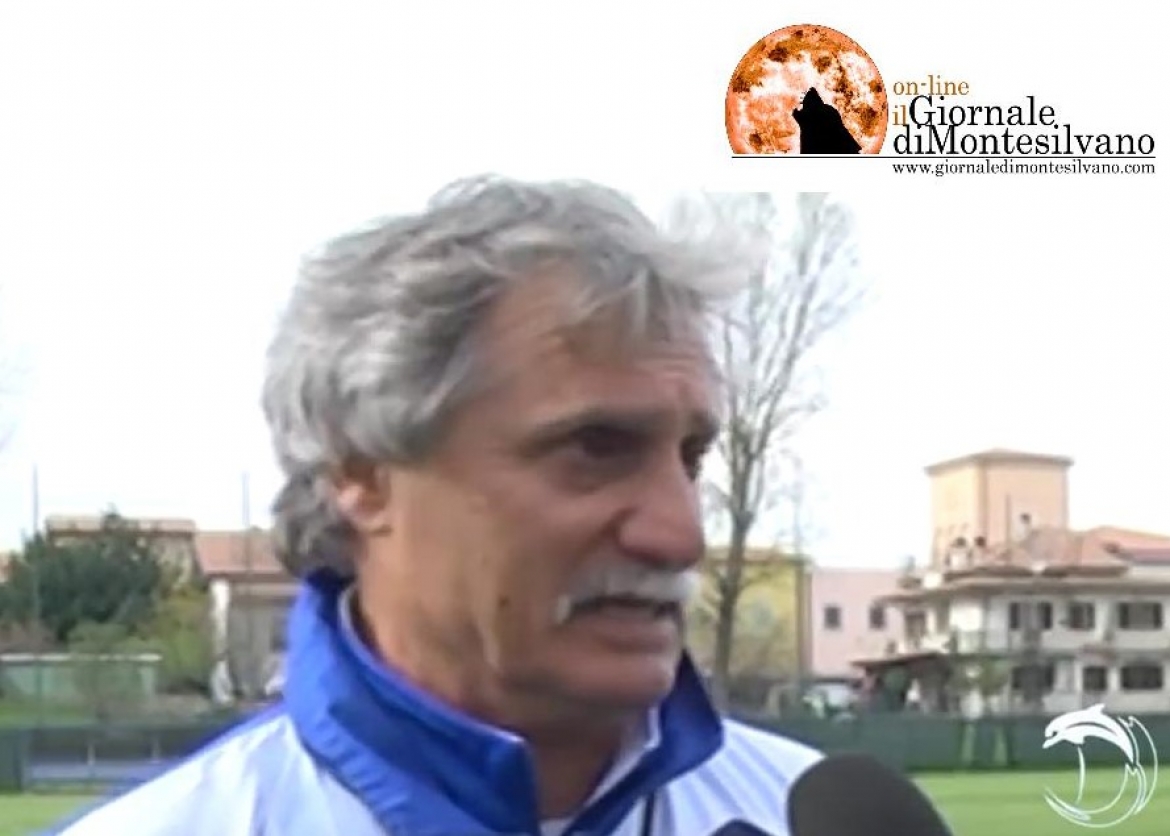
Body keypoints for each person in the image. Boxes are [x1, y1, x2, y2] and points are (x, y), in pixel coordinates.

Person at [51, 176, 821, 835]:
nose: (680, 534)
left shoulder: (800, 813)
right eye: (596, 448)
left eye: (690, 458)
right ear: (363, 473)